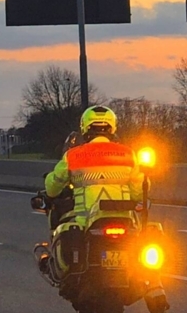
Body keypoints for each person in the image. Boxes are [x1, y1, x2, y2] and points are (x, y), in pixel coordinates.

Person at [44, 106, 145, 269]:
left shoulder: (73, 155)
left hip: (86, 223)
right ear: (113, 127)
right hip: (125, 221)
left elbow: (52, 187)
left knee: (63, 233)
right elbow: (139, 192)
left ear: (84, 127)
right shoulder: (129, 154)